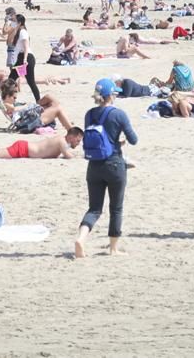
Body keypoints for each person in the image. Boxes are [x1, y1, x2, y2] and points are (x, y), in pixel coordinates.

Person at [74, 78, 138, 258]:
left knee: (94, 208)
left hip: (94, 165)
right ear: (111, 95)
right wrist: (121, 140)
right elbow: (134, 140)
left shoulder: (89, 114)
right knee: (116, 208)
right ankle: (113, 248)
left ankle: (81, 238)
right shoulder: (119, 114)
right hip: (114, 164)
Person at [0, 79, 74, 130]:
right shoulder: (6, 104)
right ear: (7, 95)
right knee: (58, 108)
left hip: (29, 115)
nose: (16, 98)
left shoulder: (6, 102)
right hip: (28, 122)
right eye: (14, 96)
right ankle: (71, 130)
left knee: (49, 97)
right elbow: (14, 109)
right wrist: (26, 106)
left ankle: (66, 121)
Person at [0, 128, 85, 159]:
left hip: (25, 148)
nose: (78, 143)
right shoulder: (61, 141)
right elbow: (69, 156)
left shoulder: (61, 140)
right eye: (78, 140)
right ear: (71, 137)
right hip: (24, 149)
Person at [8, 14, 41, 102]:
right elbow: (9, 42)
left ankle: (39, 101)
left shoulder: (23, 32)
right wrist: (13, 29)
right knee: (12, 79)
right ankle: (11, 100)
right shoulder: (18, 32)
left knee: (28, 81)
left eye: (14, 21)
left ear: (19, 22)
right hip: (21, 58)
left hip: (26, 58)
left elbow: (26, 47)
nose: (12, 22)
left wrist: (25, 60)